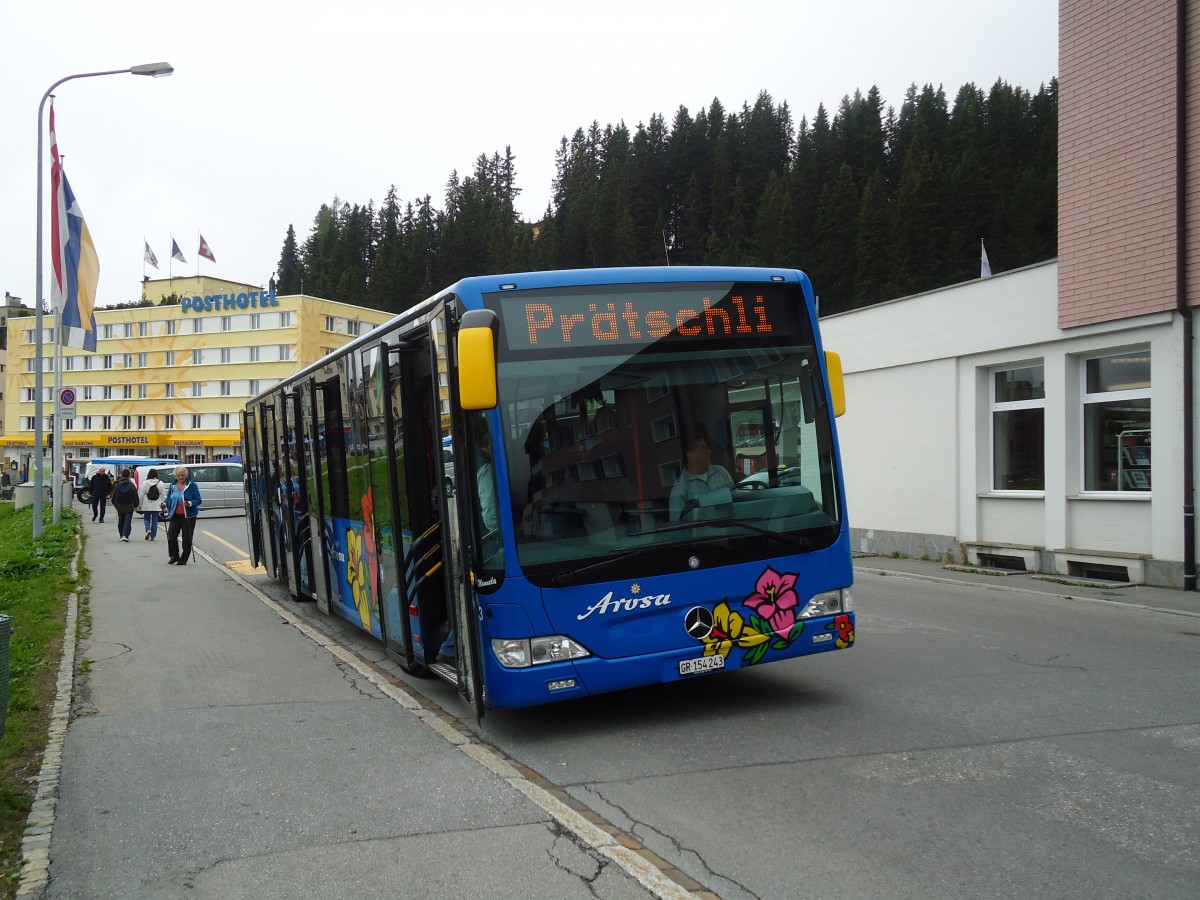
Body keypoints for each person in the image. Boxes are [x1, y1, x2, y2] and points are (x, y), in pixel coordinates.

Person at [669, 428, 735, 522]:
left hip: (731, 531)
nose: (709, 452)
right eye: (703, 448)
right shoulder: (679, 488)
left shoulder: (721, 472)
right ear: (690, 454)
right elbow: (677, 526)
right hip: (701, 535)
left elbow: (736, 502)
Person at [164, 465, 203, 566]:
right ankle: (174, 556)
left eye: (182, 475)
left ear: (186, 475)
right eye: (178, 475)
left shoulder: (192, 485)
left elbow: (198, 500)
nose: (180, 477)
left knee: (186, 538)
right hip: (175, 514)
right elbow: (169, 498)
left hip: (188, 516)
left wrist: (189, 503)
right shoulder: (172, 485)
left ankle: (184, 558)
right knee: (171, 535)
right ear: (175, 476)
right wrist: (164, 504)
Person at [110, 468, 140, 542]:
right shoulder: (131, 485)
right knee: (128, 520)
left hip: (120, 505)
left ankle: (121, 535)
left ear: (122, 475)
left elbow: (113, 497)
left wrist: (116, 505)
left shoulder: (117, 485)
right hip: (129, 505)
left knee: (121, 520)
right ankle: (125, 535)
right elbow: (135, 496)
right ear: (129, 475)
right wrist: (136, 505)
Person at [138, 467, 166, 542]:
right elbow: (163, 495)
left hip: (147, 504)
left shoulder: (145, 483)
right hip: (157, 504)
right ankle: (153, 536)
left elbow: (141, 495)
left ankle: (148, 529)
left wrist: (139, 505)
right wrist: (164, 504)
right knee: (155, 520)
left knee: (146, 518)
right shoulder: (160, 483)